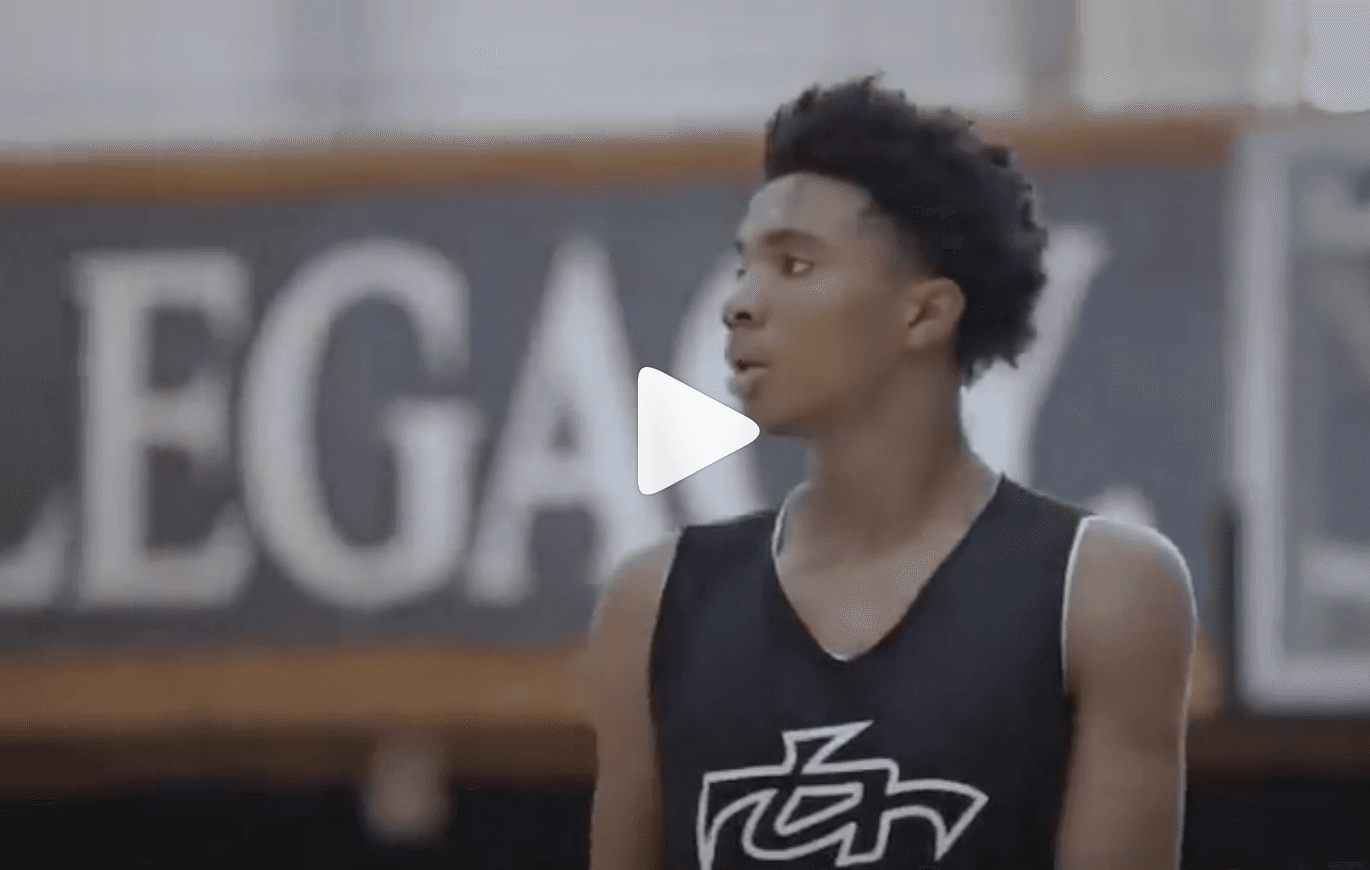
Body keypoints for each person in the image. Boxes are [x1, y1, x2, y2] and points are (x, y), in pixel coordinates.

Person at [584, 76, 1196, 870]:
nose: (740, 303)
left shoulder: (1103, 591)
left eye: (793, 265)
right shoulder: (653, 603)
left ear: (925, 312)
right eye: (743, 267)